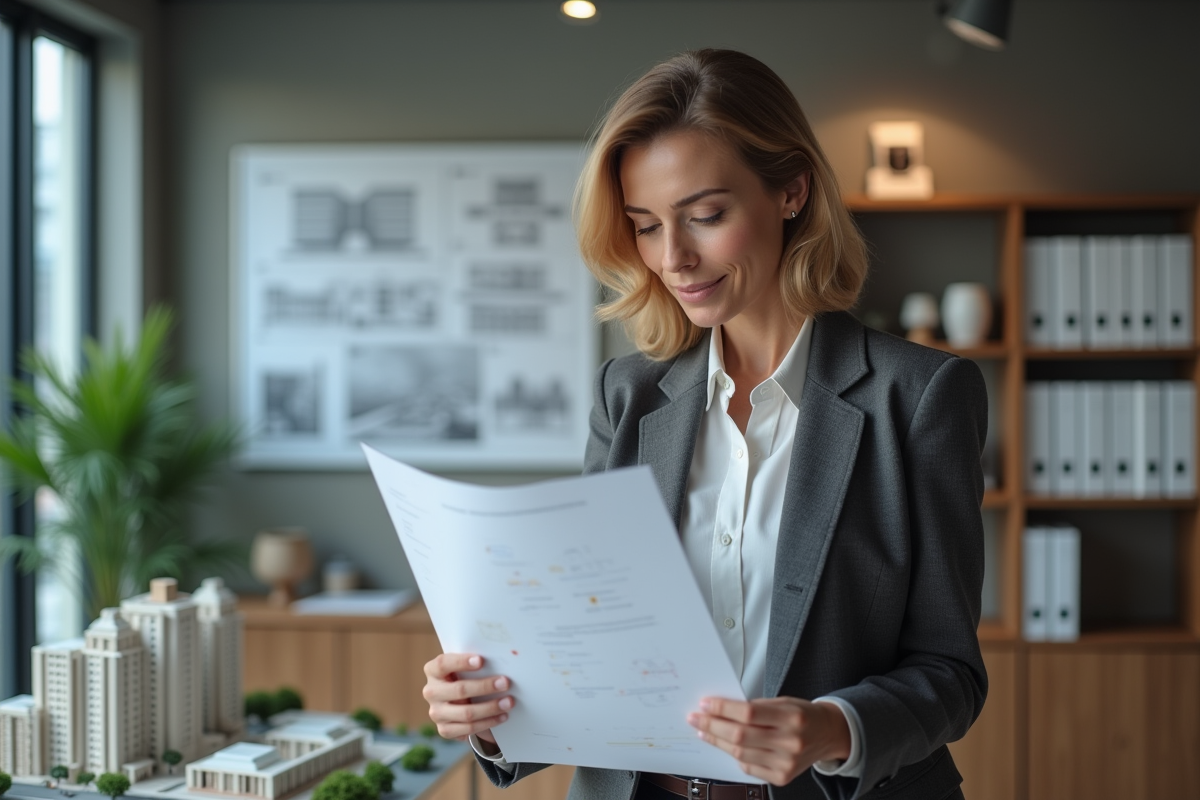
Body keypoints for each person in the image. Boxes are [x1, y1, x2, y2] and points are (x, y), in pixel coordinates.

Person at [422, 49, 988, 800]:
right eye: (646, 226)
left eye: (705, 216)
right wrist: (490, 714)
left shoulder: (919, 396)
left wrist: (831, 727)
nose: (673, 258)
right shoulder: (627, 396)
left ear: (792, 191)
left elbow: (950, 671)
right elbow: (590, 654)